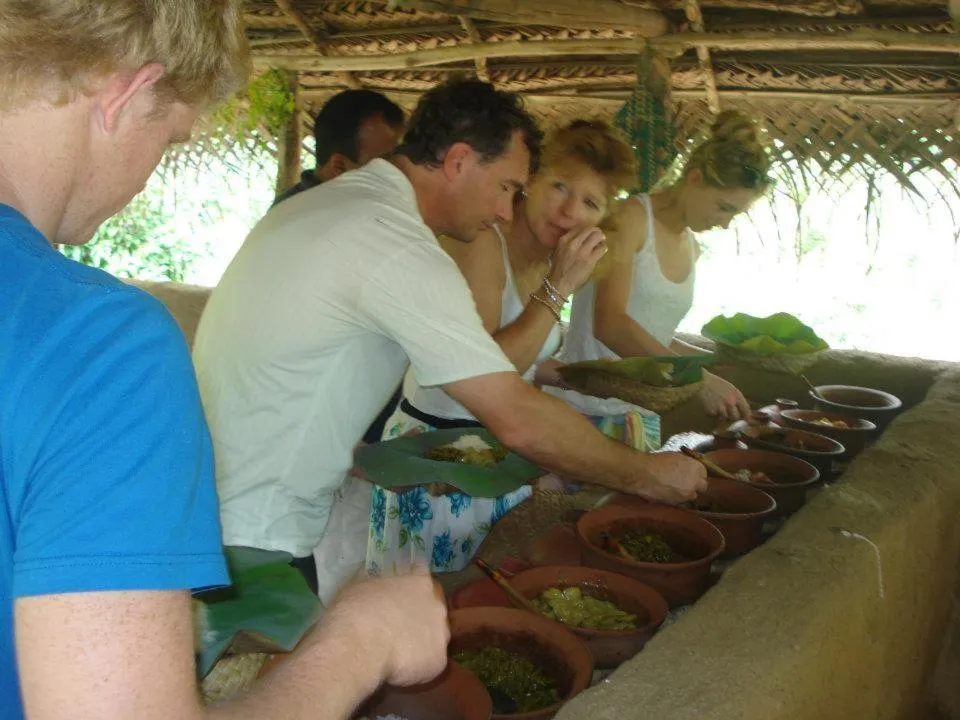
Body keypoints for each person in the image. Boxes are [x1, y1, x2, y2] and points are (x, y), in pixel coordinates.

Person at [0, 3, 448, 719]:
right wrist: (364, 637)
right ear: (127, 95)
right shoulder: (100, 344)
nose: (150, 173)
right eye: (170, 138)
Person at [192, 78, 708, 601]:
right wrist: (644, 474)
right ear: (459, 161)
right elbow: (514, 413)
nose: (506, 209)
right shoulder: (397, 244)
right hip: (254, 533)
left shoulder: (340, 203)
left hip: (207, 503)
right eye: (506, 186)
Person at [371, 119, 637, 573]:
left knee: (487, 589)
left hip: (497, 455)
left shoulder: (548, 262)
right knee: (426, 600)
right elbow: (489, 369)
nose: (569, 211)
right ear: (529, 182)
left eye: (590, 203)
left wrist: (580, 378)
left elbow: (526, 358)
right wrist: (558, 287)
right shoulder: (482, 243)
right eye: (559, 186)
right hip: (437, 456)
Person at [551, 110, 774, 440]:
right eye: (723, 207)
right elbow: (610, 324)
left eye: (734, 215)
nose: (725, 223)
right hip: (584, 409)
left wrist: (717, 362)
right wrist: (697, 380)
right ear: (694, 179)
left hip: (640, 415)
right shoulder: (631, 219)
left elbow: (653, 332)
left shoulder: (691, 246)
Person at [271, 89, 405, 443]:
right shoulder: (302, 222)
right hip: (312, 427)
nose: (399, 177)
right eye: (385, 166)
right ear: (339, 167)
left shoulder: (350, 212)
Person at [273, 88, 405, 206]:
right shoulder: (293, 214)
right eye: (384, 163)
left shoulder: (371, 203)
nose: (398, 172)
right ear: (339, 167)